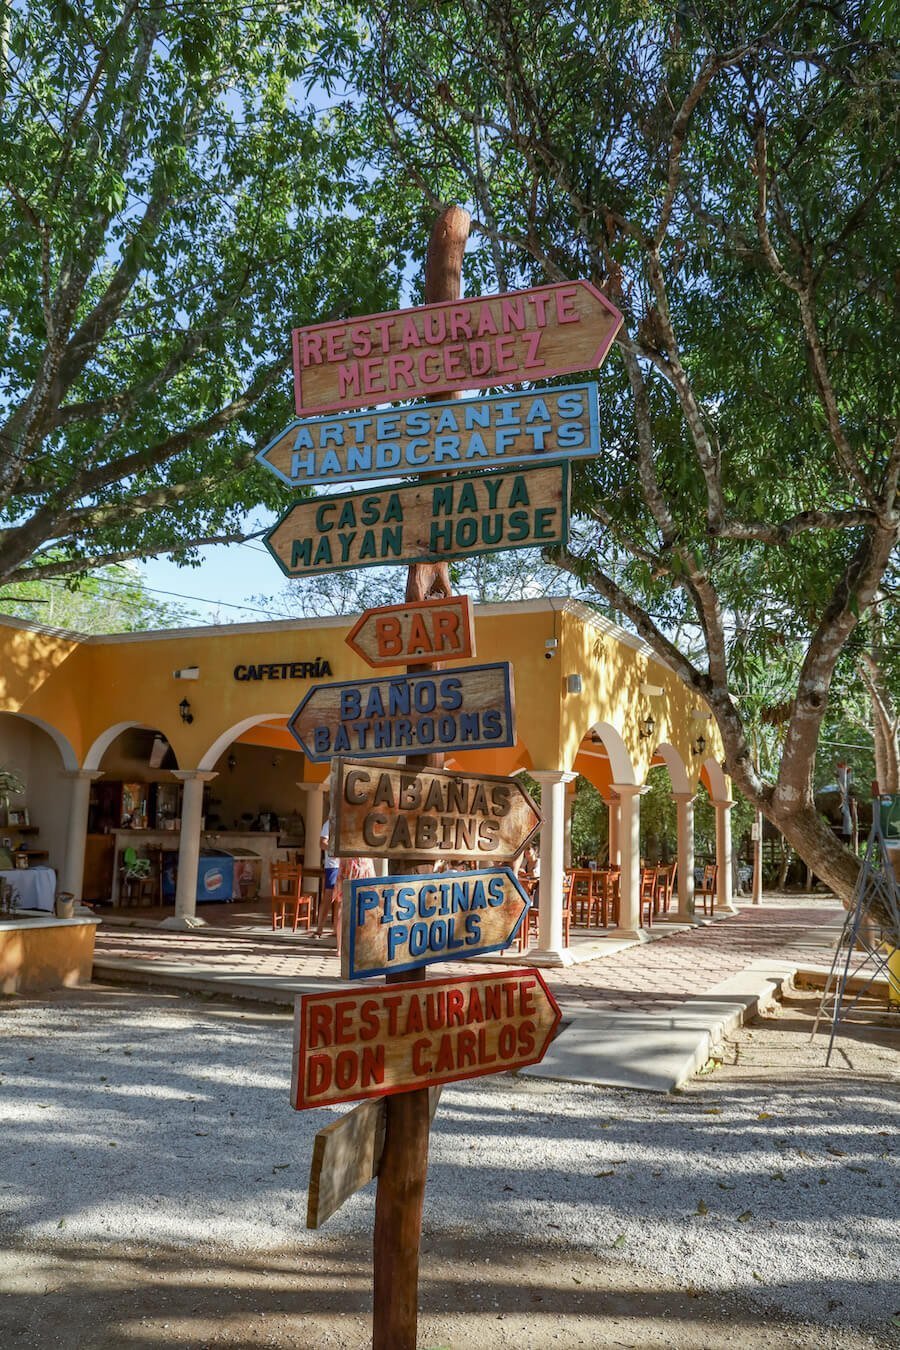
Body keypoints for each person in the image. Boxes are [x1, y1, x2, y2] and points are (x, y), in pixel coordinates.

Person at [333, 854, 376, 958]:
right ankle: (341, 947)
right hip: (352, 862)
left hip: (361, 862)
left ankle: (357, 945)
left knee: (362, 910)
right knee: (344, 909)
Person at [315, 803, 339, 938]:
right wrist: (335, 849)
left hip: (345, 865)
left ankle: (337, 930)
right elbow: (322, 843)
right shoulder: (329, 824)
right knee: (328, 897)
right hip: (333, 865)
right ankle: (319, 929)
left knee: (340, 899)